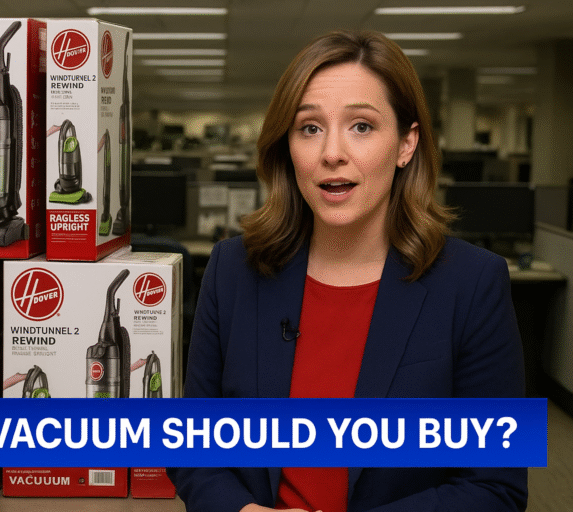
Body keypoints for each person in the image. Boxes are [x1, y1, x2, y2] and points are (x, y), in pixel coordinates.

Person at [167, 30, 527, 512]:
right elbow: (192, 449)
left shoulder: (472, 283)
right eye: (309, 128)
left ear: (406, 144)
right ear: (286, 148)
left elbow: (495, 487)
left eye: (361, 126)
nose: (332, 152)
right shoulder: (233, 271)